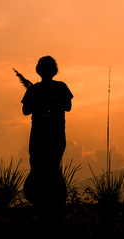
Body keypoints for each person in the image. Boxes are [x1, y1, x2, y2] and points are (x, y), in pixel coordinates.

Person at [21, 56, 73, 206]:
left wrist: (51, 100)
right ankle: (50, 199)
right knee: (49, 165)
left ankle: (46, 199)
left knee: (45, 165)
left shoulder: (38, 89)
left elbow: (25, 110)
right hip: (48, 134)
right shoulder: (54, 88)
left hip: (46, 134)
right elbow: (26, 110)